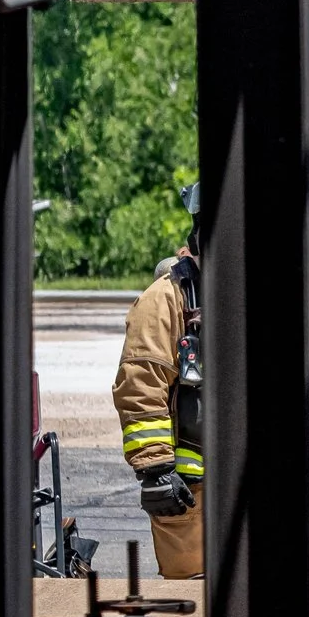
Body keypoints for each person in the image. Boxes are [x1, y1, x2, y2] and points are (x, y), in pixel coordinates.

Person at [114, 186, 204, 579]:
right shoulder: (166, 299)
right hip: (189, 494)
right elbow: (140, 383)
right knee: (197, 607)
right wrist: (156, 472)